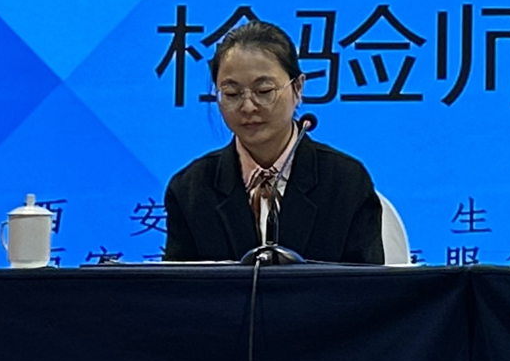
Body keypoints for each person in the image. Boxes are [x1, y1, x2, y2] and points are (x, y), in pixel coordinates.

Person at [163, 20, 386, 264]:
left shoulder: (346, 182)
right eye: (232, 94)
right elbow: (179, 286)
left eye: (264, 91)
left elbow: (365, 284)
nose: (248, 107)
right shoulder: (190, 190)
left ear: (297, 88)